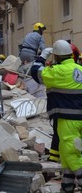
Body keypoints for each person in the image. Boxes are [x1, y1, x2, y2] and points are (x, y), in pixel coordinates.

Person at [31, 40, 82, 193]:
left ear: (57, 56)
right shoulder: (80, 68)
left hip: (68, 120)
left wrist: (42, 56)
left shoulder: (57, 72)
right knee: (66, 155)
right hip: (79, 119)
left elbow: (35, 73)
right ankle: (67, 187)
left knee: (72, 154)